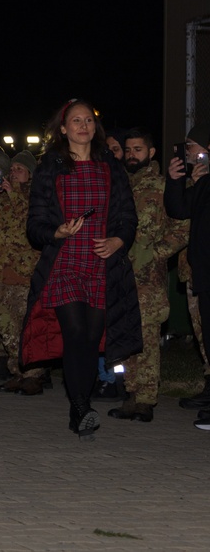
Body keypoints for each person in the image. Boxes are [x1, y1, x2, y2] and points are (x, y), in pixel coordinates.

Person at [22, 99, 141, 441]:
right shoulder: (50, 166)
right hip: (64, 262)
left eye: (88, 120)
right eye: (76, 120)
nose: (83, 125)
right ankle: (80, 407)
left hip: (101, 263)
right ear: (63, 128)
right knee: (75, 333)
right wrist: (55, 232)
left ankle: (81, 404)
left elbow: (127, 216)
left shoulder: (110, 166)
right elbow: (36, 224)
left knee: (91, 338)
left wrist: (119, 240)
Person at [106, 129, 187, 423]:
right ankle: (131, 393)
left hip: (148, 278)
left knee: (147, 338)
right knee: (125, 335)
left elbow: (182, 227)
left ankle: (145, 400)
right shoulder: (119, 187)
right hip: (119, 274)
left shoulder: (165, 186)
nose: (131, 155)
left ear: (151, 153)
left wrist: (155, 254)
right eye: (127, 150)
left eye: (138, 150)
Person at [0, 150, 48, 394]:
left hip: (23, 273)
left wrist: (14, 195)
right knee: (8, 329)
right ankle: (18, 372)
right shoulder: (0, 199)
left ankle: (34, 374)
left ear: (30, 175)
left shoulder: (37, 196)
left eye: (19, 170)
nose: (13, 173)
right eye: (11, 169)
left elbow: (33, 220)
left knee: (27, 326)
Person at [164, 124, 210, 429]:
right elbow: (179, 209)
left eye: (191, 145)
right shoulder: (202, 181)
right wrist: (176, 180)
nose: (187, 150)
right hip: (204, 272)